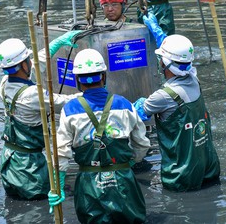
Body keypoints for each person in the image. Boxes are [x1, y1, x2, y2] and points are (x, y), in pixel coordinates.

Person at [48, 49, 150, 223]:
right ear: (103, 76)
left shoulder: (70, 110)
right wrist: (130, 162)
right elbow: (142, 144)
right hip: (122, 180)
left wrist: (58, 186)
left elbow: (61, 153)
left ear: (79, 81)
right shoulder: (125, 104)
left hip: (88, 185)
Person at [134, 14, 221, 191]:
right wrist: (157, 31)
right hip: (209, 168)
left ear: (164, 64)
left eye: (161, 60)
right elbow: (179, 57)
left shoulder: (162, 97)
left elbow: (136, 114)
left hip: (181, 177)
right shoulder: (195, 79)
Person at [0, 31, 81, 200]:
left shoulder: (5, 83)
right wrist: (91, 93)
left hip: (9, 161)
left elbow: (37, 61)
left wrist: (57, 43)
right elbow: (62, 102)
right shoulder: (32, 94)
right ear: (22, 65)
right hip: (29, 168)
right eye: (28, 59)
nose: (31, 61)